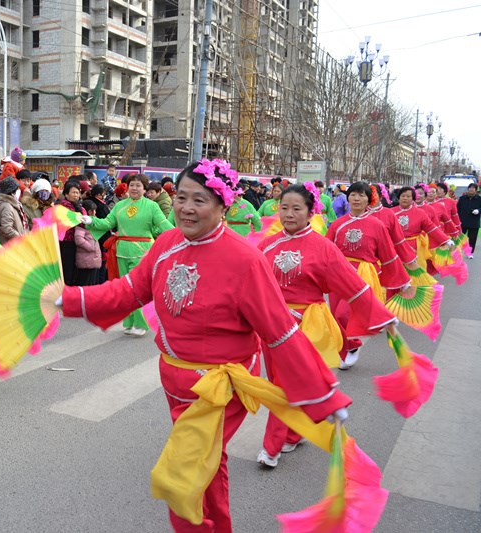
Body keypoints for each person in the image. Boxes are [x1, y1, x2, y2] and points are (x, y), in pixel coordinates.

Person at [59, 159, 351, 532]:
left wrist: (323, 395)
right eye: (181, 197)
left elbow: (281, 333)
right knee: (210, 467)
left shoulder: (245, 260)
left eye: (199, 200)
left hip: (219, 387)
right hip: (175, 381)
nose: (186, 208)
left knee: (182, 477)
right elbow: (129, 290)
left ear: (223, 205)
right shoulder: (166, 243)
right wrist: (68, 300)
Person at [256, 184, 396, 467]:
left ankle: (271, 447)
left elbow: (354, 286)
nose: (289, 214)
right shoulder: (266, 246)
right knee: (278, 382)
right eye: (285, 208)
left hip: (306, 325)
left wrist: (382, 316)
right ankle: (295, 433)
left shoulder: (323, 248)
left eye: (297, 209)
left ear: (311, 212)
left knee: (285, 383)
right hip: (271, 325)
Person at [325, 181, 411, 368]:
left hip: (363, 273)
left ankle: (351, 347)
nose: (357, 198)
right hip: (338, 274)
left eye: (362, 195)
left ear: (369, 200)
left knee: (344, 314)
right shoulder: (337, 224)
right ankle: (348, 347)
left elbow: (388, 255)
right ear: (348, 198)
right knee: (334, 315)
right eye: (353, 194)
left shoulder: (377, 225)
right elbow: (325, 250)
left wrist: (401, 279)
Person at [83, 173, 173, 337]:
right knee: (126, 289)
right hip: (122, 252)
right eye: (132, 185)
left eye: (138, 185)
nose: (134, 188)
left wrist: (179, 235)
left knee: (137, 289)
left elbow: (162, 224)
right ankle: (129, 322)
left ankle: (141, 323)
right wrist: (91, 221)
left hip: (142, 251)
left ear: (145, 189)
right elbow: (108, 223)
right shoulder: (120, 205)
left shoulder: (152, 206)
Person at [393, 186, 452, 270]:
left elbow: (431, 228)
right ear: (398, 198)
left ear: (413, 199)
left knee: (416, 273)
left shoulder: (420, 213)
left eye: (408, 196)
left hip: (415, 247)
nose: (405, 198)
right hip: (396, 248)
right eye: (403, 196)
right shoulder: (390, 212)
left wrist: (445, 240)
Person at [0, 176, 28, 244]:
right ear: (12, 191)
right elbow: (6, 228)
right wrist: (20, 238)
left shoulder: (12, 204)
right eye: (17, 189)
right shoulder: (7, 206)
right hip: (11, 245)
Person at [75, 200, 102, 286]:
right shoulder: (82, 223)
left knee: (92, 284)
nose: (94, 213)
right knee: (85, 283)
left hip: (93, 258)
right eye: (91, 211)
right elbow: (78, 238)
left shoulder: (93, 222)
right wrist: (91, 247)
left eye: (94, 210)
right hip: (86, 258)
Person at [457, 183, 481, 258]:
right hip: (462, 221)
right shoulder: (462, 198)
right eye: (470, 188)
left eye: (473, 188)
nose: (471, 189)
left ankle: (470, 253)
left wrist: (478, 210)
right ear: (468, 189)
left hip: (474, 222)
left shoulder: (479, 199)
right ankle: (458, 252)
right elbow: (457, 209)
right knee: (460, 238)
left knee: (472, 238)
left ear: (475, 190)